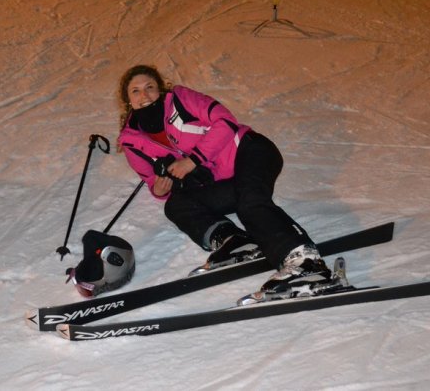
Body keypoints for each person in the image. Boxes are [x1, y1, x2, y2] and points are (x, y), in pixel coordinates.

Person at [116, 64, 332, 299]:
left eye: (150, 87)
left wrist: (192, 161)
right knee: (175, 204)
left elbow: (226, 121)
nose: (144, 95)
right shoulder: (132, 142)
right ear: (128, 101)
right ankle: (234, 241)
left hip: (250, 151)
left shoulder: (180, 99)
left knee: (250, 202)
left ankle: (307, 264)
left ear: (161, 89)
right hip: (225, 182)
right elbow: (151, 180)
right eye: (135, 91)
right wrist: (159, 188)